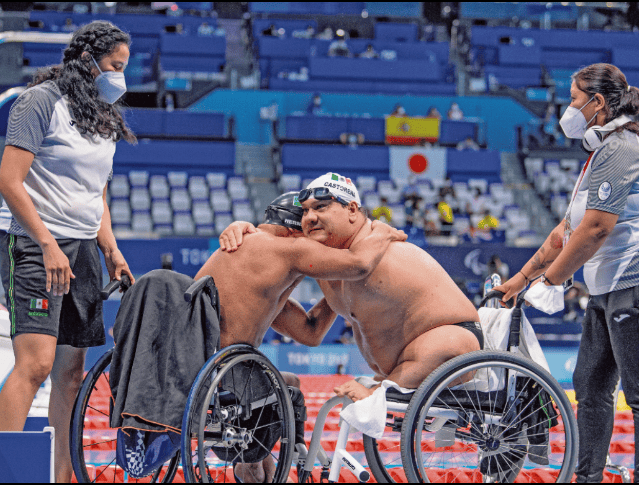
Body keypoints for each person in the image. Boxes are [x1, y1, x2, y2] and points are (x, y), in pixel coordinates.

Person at [494, 63, 639, 483]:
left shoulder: (620, 147)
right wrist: (522, 279)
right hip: (612, 287)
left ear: (597, 103)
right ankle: (587, 477)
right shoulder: (601, 151)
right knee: (590, 385)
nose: (568, 108)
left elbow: (597, 229)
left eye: (573, 99)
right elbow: (563, 232)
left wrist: (552, 281)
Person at [0, 21, 135, 483]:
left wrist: (109, 247)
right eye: (115, 67)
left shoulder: (103, 113)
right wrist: (48, 245)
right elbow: (9, 183)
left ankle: (61, 475)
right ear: (87, 60)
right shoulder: (39, 102)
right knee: (35, 364)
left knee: (71, 373)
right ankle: (2, 474)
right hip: (36, 243)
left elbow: (96, 192)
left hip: (82, 247)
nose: (120, 77)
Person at [198, 192, 405, 481]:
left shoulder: (246, 260)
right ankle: (252, 467)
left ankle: (254, 466)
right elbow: (359, 263)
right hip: (229, 376)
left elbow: (311, 332)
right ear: (295, 230)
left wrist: (336, 289)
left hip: (202, 372)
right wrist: (381, 232)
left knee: (289, 382)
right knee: (287, 391)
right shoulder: (288, 249)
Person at [221, 173, 483, 400]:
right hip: (396, 374)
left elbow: (359, 265)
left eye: (321, 207)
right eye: (305, 212)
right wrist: (244, 228)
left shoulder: (371, 252)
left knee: (450, 342)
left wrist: (379, 232)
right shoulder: (333, 264)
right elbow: (312, 331)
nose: (310, 217)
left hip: (455, 347)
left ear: (352, 210)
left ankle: (386, 389)